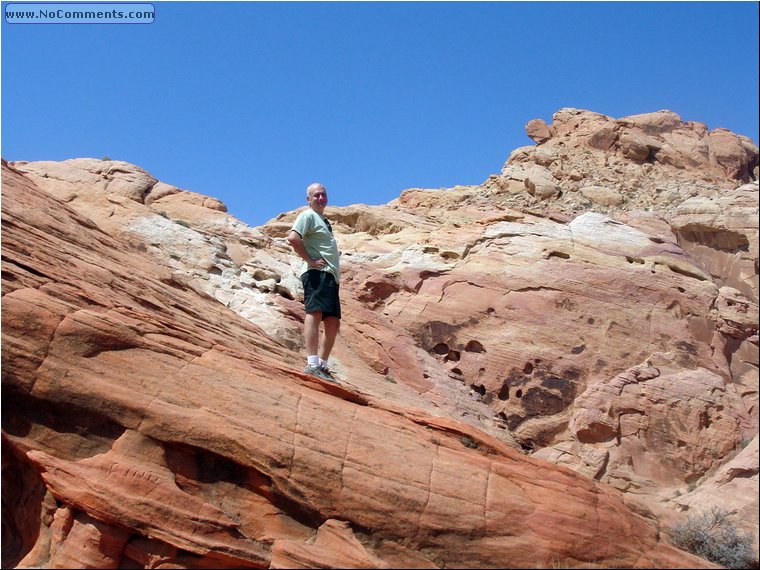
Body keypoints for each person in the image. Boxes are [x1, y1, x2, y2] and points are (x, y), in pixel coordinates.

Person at [287, 182, 341, 383]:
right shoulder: (307, 215)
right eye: (316, 195)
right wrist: (309, 260)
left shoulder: (324, 220)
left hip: (331, 276)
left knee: (333, 321)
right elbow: (293, 238)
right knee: (315, 312)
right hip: (316, 273)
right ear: (308, 199)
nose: (320, 198)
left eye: (323, 195)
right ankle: (312, 363)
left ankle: (323, 366)